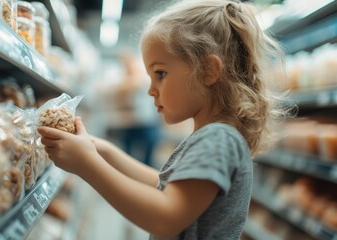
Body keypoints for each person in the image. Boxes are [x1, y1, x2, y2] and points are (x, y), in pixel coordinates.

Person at [38, 0, 286, 239]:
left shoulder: (219, 138)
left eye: (160, 74)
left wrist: (87, 165)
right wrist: (101, 150)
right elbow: (164, 184)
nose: (151, 89)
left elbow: (166, 217)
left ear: (209, 71)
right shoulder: (212, 135)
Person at [107, 52, 161, 167]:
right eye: (126, 64)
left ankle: (146, 174)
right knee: (128, 155)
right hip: (127, 124)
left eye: (130, 63)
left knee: (148, 153)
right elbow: (116, 89)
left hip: (146, 122)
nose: (129, 66)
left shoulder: (144, 77)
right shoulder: (119, 78)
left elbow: (137, 84)